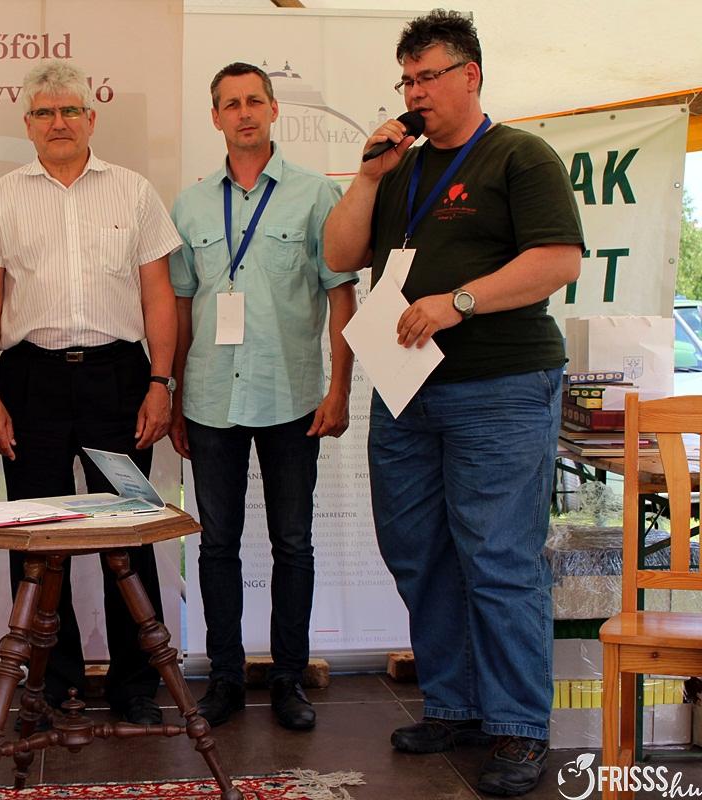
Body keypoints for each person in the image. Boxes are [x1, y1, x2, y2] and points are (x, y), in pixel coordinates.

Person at [323, 10, 583, 796]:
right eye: (406, 80)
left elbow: (558, 261)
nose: (414, 93)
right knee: (419, 551)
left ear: (470, 75)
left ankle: (517, 727)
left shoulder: (520, 155)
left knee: (498, 558)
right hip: (406, 388)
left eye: (428, 77)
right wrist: (369, 176)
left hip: (500, 387)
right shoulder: (399, 170)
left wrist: (458, 301)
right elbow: (339, 253)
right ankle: (455, 704)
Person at [0, 60, 180, 726]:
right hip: (32, 382)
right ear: (28, 124)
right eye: (45, 113)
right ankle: (52, 684)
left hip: (119, 379)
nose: (58, 122)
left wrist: (160, 382)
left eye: (70, 110)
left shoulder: (134, 192)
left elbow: (159, 295)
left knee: (128, 532)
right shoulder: (0, 198)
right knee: (37, 539)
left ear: (91, 117)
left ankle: (135, 686)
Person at [169, 62, 357, 732]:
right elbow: (181, 306)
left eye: (254, 100)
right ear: (215, 117)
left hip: (292, 394)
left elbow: (341, 296)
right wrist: (172, 395)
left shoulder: (316, 195)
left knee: (294, 543)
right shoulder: (190, 205)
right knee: (216, 544)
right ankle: (223, 678)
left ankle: (288, 680)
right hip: (210, 396)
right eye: (231, 104)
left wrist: (340, 387)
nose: (244, 112)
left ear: (274, 110)